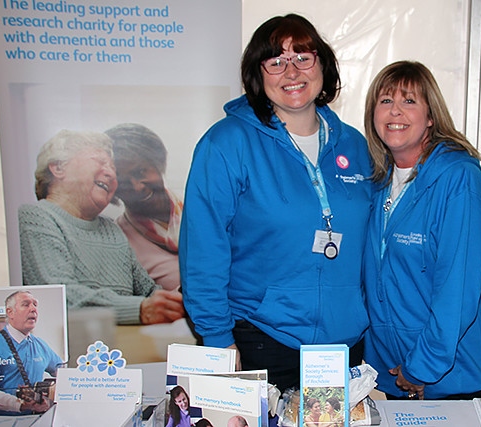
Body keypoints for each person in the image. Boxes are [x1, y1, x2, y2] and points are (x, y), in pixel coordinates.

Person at [180, 14, 373, 392]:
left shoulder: (355, 146)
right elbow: (202, 249)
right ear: (258, 72)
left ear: (323, 65)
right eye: (276, 61)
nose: (291, 71)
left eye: (303, 57)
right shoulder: (225, 144)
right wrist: (218, 340)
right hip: (261, 342)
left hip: (344, 348)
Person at [362, 61, 481, 400]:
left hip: (451, 380)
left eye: (409, 101)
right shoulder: (378, 183)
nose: (395, 111)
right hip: (399, 375)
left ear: (430, 117)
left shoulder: (459, 182)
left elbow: (458, 293)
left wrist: (421, 367)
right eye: (385, 101)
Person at [18, 129, 185, 325]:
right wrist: (139, 309)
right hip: (82, 353)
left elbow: (149, 291)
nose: (111, 173)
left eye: (112, 168)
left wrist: (179, 300)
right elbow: (60, 296)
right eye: (101, 162)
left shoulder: (111, 230)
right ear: (58, 168)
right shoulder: (36, 216)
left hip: (127, 351)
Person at [104, 123, 182, 291]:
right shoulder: (119, 242)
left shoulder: (201, 211)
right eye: (124, 182)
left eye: (140, 172)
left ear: (158, 164)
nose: (137, 187)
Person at [0, 290, 63, 415]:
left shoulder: (40, 345)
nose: (33, 309)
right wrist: (20, 405)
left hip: (37, 420)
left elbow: (64, 374)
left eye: (35, 305)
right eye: (26, 304)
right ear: (10, 312)